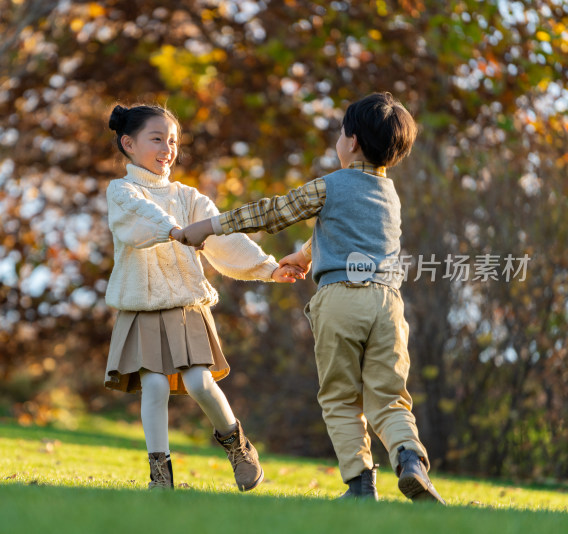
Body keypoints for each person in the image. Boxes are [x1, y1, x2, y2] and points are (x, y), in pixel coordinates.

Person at [176, 92, 446, 503]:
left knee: (340, 396)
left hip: (340, 300)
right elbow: (351, 233)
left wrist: (208, 227)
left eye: (341, 133)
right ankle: (410, 460)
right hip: (388, 303)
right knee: (389, 397)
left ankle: (360, 485)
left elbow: (273, 212)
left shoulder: (331, 185)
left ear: (351, 141)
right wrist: (303, 256)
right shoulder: (389, 195)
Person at [104, 103, 301, 491]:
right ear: (128, 143)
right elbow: (138, 218)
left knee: (198, 382)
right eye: (157, 139)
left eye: (173, 140)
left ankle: (238, 447)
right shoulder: (121, 191)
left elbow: (223, 238)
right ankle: (160, 475)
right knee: (156, 386)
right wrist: (173, 230)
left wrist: (268, 268)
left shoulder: (188, 196)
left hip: (185, 304)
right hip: (141, 305)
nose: (168, 148)